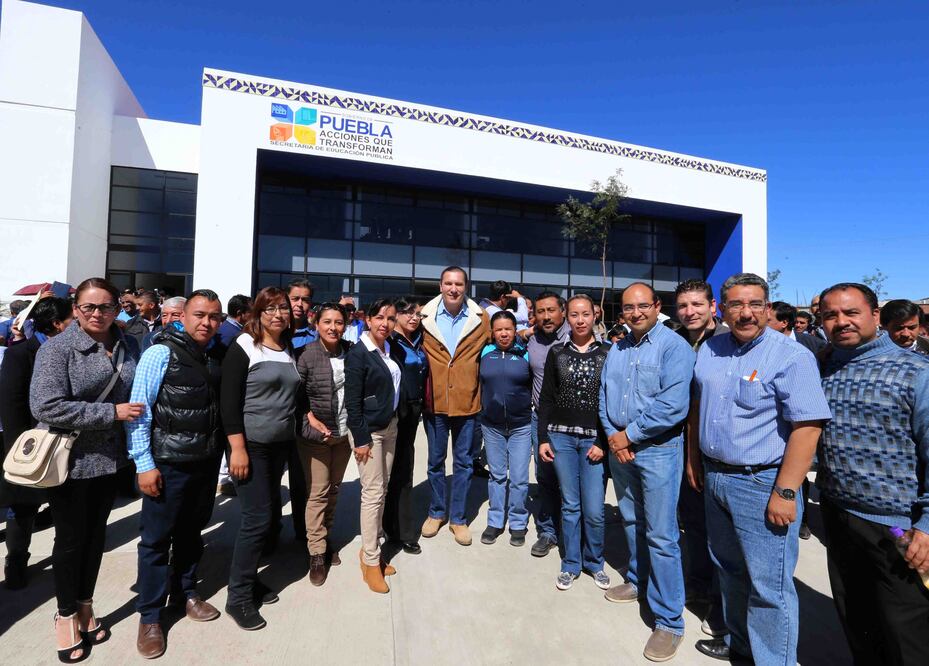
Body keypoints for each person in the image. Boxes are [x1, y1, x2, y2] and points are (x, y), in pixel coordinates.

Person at [688, 273, 831, 664]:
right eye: (736, 304)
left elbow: (807, 427)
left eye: (755, 304)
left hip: (763, 482)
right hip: (716, 477)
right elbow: (699, 408)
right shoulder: (711, 349)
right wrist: (694, 462)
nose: (746, 313)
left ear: (769, 309)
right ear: (724, 309)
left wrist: (786, 491)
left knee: (769, 588)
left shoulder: (791, 356)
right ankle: (741, 644)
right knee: (729, 570)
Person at [816, 283, 929, 665]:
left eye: (851, 313)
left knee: (907, 632)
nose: (841, 322)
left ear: (875, 316)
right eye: (831, 315)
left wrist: (927, 525)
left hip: (897, 527)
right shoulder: (825, 366)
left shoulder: (916, 372)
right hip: (838, 514)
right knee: (858, 620)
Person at [30, 277, 142, 663]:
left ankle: (85, 605)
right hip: (71, 462)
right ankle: (64, 616)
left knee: (96, 540)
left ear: (117, 309)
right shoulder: (58, 349)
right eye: (89, 307)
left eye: (106, 306)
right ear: (75, 309)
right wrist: (110, 413)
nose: (98, 314)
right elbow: (44, 406)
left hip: (112, 460)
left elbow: (137, 392)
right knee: (70, 542)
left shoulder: (128, 344)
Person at [127, 290, 226, 658]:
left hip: (204, 462)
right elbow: (141, 412)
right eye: (200, 315)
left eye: (214, 317)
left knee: (190, 534)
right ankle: (150, 617)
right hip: (167, 464)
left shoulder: (214, 354)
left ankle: (185, 593)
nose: (207, 323)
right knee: (155, 542)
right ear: (181, 316)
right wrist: (144, 464)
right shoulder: (158, 354)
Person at [600, 283, 695, 662]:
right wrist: (612, 434)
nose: (636, 312)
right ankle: (638, 581)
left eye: (643, 306)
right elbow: (604, 396)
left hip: (656, 450)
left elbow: (673, 405)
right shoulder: (618, 347)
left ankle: (669, 620)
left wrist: (629, 436)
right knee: (630, 520)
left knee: (661, 535)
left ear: (657, 306)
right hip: (620, 450)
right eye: (628, 307)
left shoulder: (675, 348)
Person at [220, 286, 301, 631]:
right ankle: (238, 597)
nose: (278, 314)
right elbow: (229, 401)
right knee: (256, 520)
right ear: (258, 313)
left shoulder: (287, 347)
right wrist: (236, 448)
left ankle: (249, 579)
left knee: (267, 518)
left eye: (283, 308)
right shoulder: (244, 346)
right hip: (250, 446)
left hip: (280, 445)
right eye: (270, 309)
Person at [537, 294, 611, 592]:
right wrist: (543, 437)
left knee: (594, 508)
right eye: (574, 315)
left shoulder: (609, 353)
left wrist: (604, 442)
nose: (580, 320)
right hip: (562, 437)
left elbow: (611, 401)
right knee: (570, 505)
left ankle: (595, 561)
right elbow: (547, 399)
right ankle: (571, 563)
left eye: (585, 314)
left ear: (595, 315)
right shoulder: (557, 352)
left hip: (594, 440)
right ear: (567, 318)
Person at [0, 297, 72, 590]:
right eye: (72, 319)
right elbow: (11, 403)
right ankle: (16, 560)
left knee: (64, 506)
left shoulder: (72, 351)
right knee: (23, 507)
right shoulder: (21, 354)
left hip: (65, 442)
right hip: (31, 443)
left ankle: (65, 560)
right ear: (57, 323)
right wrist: (19, 449)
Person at [673, 279, 728, 639]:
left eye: (697, 305)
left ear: (712, 306)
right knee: (691, 523)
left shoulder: (726, 342)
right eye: (683, 306)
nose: (689, 312)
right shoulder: (675, 339)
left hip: (715, 449)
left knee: (721, 536)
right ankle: (696, 586)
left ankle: (720, 605)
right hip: (681, 446)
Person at [419, 266, 490, 546]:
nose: (453, 289)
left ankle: (458, 518)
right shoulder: (424, 317)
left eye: (458, 284)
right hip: (434, 403)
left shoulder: (480, 319)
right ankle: (436, 512)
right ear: (440, 286)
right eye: (448, 283)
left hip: (467, 402)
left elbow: (499, 343)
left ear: (466, 287)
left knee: (463, 463)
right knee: (435, 462)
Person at [345, 299, 404, 593]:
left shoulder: (389, 349)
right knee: (372, 494)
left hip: (390, 427)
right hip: (369, 433)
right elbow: (352, 402)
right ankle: (370, 561)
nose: (385, 323)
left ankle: (371, 552)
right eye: (379, 317)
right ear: (367, 319)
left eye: (391, 318)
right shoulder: (359, 354)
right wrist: (362, 438)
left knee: (382, 490)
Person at [295, 302, 354, 586]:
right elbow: (295, 395)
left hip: (343, 435)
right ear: (316, 324)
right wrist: (310, 419)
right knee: (318, 492)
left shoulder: (351, 353)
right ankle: (316, 552)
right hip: (316, 437)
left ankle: (326, 538)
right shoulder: (305, 355)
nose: (333, 328)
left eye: (338, 322)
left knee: (334, 489)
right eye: (327, 322)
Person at [478, 310, 533, 546]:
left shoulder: (525, 354)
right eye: (499, 329)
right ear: (492, 331)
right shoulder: (485, 353)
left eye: (508, 329)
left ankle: (518, 522)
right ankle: (496, 520)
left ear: (515, 330)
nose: (503, 333)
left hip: (521, 425)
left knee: (520, 478)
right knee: (497, 476)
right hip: (491, 425)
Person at [384, 297, 429, 555]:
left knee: (404, 469)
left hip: (414, 412)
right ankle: (387, 526)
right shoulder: (388, 341)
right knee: (386, 473)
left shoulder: (421, 340)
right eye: (408, 313)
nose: (414, 318)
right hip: (393, 413)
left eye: (418, 314)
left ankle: (403, 531)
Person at [526, 290, 569, 557]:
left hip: (572, 423)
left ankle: (573, 531)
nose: (546, 316)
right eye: (540, 311)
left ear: (562, 311)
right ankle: (548, 531)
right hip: (539, 419)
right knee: (545, 476)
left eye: (551, 310)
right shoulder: (531, 341)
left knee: (571, 478)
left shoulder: (576, 336)